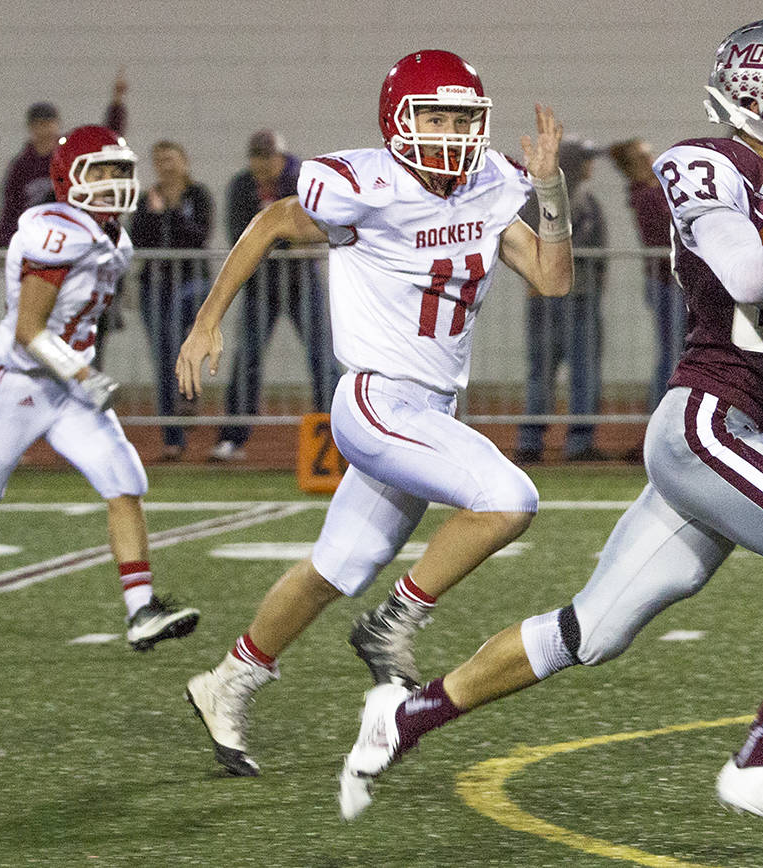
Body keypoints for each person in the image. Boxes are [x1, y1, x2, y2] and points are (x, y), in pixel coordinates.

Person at [336, 19, 763, 830]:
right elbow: (747, 271)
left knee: (591, 630)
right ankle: (759, 763)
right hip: (706, 422)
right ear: (757, 102)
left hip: (749, 429)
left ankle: (406, 717)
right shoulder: (705, 165)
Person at [176, 50, 573, 777]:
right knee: (509, 498)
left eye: (463, 119)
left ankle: (225, 682)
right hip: (377, 399)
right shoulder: (366, 185)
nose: (453, 133)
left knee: (335, 567)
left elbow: (552, 277)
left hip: (430, 409)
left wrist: (550, 189)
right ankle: (394, 626)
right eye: (437, 118)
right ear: (398, 121)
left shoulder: (489, 186)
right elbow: (269, 222)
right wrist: (207, 320)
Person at [0, 125, 199, 651]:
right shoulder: (55, 231)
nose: (114, 182)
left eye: (119, 171)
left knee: (124, 478)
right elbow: (28, 329)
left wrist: (80, 375)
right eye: (101, 172)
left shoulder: (114, 237)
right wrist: (85, 373)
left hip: (68, 389)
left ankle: (141, 612)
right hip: (18, 385)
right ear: (70, 179)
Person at [207, 129, 340, 462]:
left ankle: (340, 434)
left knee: (323, 358)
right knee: (247, 360)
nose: (262, 164)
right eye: (256, 157)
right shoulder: (241, 186)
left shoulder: (302, 181)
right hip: (259, 285)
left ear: (281, 157)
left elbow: (316, 229)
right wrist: (283, 238)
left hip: (301, 282)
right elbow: (241, 233)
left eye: (268, 157)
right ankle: (233, 437)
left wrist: (273, 238)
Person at [513, 136, 608, 463]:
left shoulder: (588, 202)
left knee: (584, 371)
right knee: (543, 371)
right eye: (586, 159)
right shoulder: (540, 200)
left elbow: (601, 254)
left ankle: (579, 443)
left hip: (581, 299)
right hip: (547, 298)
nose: (590, 166)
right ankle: (530, 440)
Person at [129, 140, 216, 460]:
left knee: (185, 347)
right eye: (159, 160)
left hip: (192, 281)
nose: (165, 165)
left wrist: (172, 212)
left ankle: (189, 398)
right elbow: (138, 239)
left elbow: (198, 236)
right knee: (162, 357)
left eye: (171, 158)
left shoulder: (198, 196)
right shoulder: (146, 200)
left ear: (184, 162)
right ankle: (172, 437)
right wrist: (154, 215)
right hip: (155, 286)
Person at [0, 70, 129, 249]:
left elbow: (105, 144)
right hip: (37, 240)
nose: (45, 130)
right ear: (31, 128)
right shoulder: (21, 166)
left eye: (49, 124)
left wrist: (117, 104)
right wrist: (5, 244)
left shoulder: (71, 154)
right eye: (40, 125)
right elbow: (10, 207)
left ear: (57, 125)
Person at [609, 137, 685, 413]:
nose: (652, 160)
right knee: (673, 355)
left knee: (676, 353)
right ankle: (660, 415)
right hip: (668, 282)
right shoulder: (647, 195)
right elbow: (670, 231)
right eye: (644, 158)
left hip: (672, 282)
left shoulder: (654, 191)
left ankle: (669, 415)